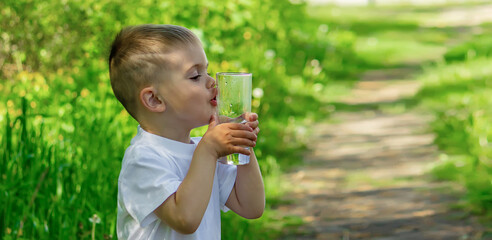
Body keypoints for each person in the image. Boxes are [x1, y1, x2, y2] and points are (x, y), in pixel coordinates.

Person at [108, 24, 265, 240]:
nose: (212, 82)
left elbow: (251, 206)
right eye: (195, 76)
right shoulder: (144, 159)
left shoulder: (203, 148)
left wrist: (242, 141)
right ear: (154, 99)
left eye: (207, 71)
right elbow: (185, 219)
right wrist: (208, 151)